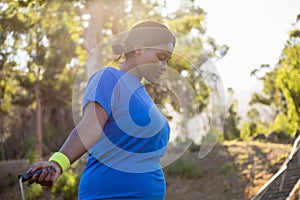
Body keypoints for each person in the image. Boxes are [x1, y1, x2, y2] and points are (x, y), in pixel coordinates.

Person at [27, 20, 176, 199]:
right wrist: (58, 163)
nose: (165, 66)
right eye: (161, 56)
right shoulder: (109, 78)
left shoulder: (143, 95)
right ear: (139, 48)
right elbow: (90, 126)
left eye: (168, 60)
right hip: (109, 194)